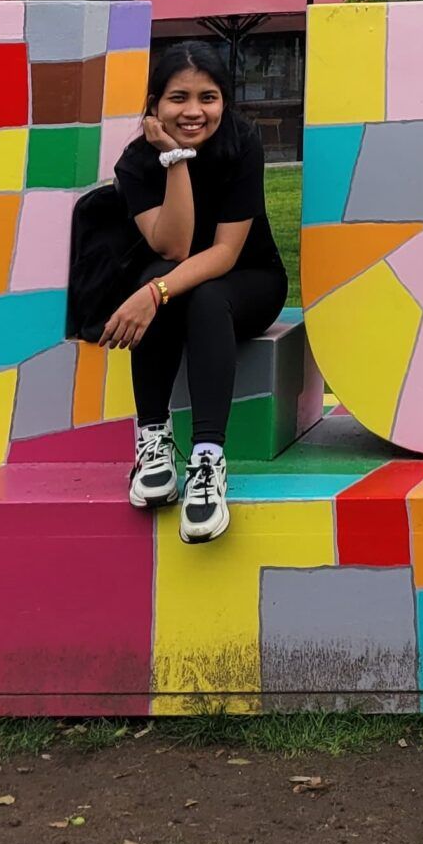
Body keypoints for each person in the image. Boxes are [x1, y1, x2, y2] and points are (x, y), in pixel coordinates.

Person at [68, 39, 286, 544]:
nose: (193, 111)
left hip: (251, 283)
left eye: (208, 97)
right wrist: (175, 160)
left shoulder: (242, 143)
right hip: (184, 276)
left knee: (188, 292)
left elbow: (226, 253)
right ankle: (153, 441)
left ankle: (208, 462)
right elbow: (175, 244)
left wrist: (155, 293)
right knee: (166, 283)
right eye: (178, 98)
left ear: (225, 102)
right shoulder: (137, 163)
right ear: (154, 107)